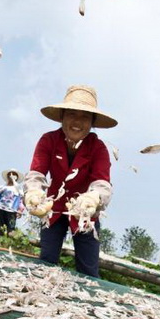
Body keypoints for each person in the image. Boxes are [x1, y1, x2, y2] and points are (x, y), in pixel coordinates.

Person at [24, 85, 117, 278]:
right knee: (46, 263)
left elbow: (102, 182)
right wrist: (33, 192)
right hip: (53, 209)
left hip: (85, 213)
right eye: (72, 114)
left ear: (92, 123)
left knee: (88, 270)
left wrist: (92, 199)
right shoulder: (48, 140)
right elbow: (36, 173)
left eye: (84, 117)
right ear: (62, 117)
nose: (77, 122)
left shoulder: (98, 148)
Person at [0, 169, 25, 237]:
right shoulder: (3, 186)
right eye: (10, 175)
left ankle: (9, 245)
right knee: (0, 227)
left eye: (13, 175)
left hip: (11, 210)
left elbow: (21, 197)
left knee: (11, 228)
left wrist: (20, 210)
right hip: (1, 208)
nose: (11, 176)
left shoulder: (18, 188)